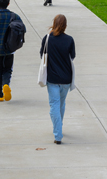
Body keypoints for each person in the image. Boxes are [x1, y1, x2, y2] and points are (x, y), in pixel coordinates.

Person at [40, 14, 76, 144]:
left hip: (52, 78)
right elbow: (72, 56)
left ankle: (57, 134)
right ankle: (58, 127)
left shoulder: (47, 38)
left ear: (54, 24)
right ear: (65, 25)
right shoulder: (69, 40)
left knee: (54, 105)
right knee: (61, 103)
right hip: (66, 78)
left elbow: (42, 55)